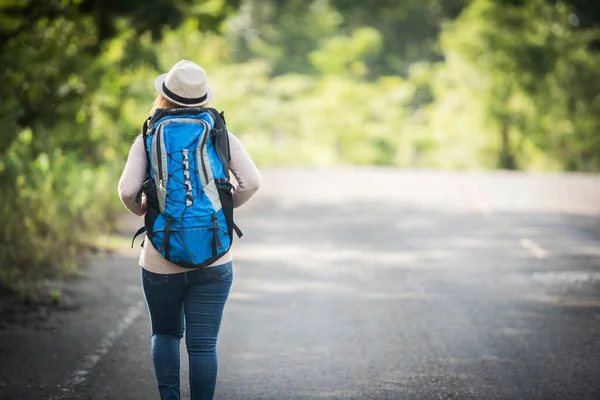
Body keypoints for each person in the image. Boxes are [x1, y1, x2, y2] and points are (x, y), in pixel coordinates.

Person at [118, 60, 261, 400]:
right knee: (203, 346)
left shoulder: (148, 136)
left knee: (165, 334)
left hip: (160, 255)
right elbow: (252, 182)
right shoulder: (220, 134)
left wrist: (142, 209)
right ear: (204, 99)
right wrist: (222, 209)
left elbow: (126, 190)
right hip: (215, 252)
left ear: (163, 95)